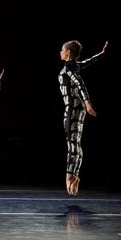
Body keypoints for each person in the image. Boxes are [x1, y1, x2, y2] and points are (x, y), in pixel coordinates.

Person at [58, 40, 108, 196]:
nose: (60, 51)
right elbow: (89, 62)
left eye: (62, 49)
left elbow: (80, 83)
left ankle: (69, 177)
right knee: (76, 143)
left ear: (68, 53)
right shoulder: (75, 65)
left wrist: (88, 103)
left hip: (73, 108)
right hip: (78, 110)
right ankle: (75, 174)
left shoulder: (69, 67)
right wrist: (102, 53)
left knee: (71, 144)